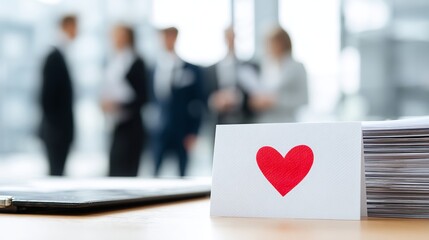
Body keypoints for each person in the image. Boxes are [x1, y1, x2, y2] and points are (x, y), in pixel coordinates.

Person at [151, 27, 204, 177]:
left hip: (182, 129)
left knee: (183, 173)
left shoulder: (191, 69)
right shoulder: (154, 68)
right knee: (155, 171)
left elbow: (198, 103)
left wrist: (194, 131)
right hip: (160, 130)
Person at [100, 25, 148, 177]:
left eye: (118, 35)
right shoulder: (114, 61)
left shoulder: (137, 62)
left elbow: (144, 97)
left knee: (128, 172)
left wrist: (118, 104)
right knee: (114, 170)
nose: (114, 39)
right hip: (117, 125)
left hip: (132, 127)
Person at [39, 15, 78, 176]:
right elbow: (46, 96)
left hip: (59, 128)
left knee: (58, 171)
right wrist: (56, 126)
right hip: (56, 129)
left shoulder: (63, 55)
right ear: (67, 26)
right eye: (75, 26)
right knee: (56, 173)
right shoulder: (54, 56)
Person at [250, 27, 308, 123]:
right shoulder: (264, 66)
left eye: (272, 43)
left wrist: (275, 101)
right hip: (264, 123)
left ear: (282, 44)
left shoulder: (297, 67)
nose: (268, 47)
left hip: (287, 122)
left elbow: (303, 99)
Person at [205, 27, 256, 125]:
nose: (230, 40)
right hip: (218, 122)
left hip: (243, 121)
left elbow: (254, 95)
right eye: (228, 37)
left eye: (232, 37)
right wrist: (216, 100)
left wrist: (237, 98)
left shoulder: (249, 66)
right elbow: (205, 95)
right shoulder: (211, 69)